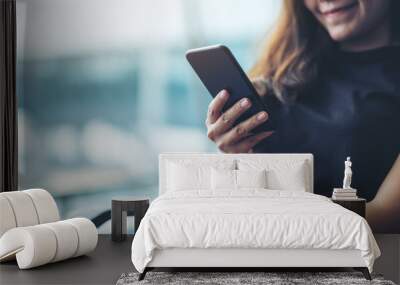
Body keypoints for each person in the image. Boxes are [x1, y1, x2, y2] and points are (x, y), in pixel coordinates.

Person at [205, 0, 400, 232]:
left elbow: (383, 215)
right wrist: (235, 156)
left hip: (339, 259)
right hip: (258, 246)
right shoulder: (283, 67)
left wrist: (272, 215)